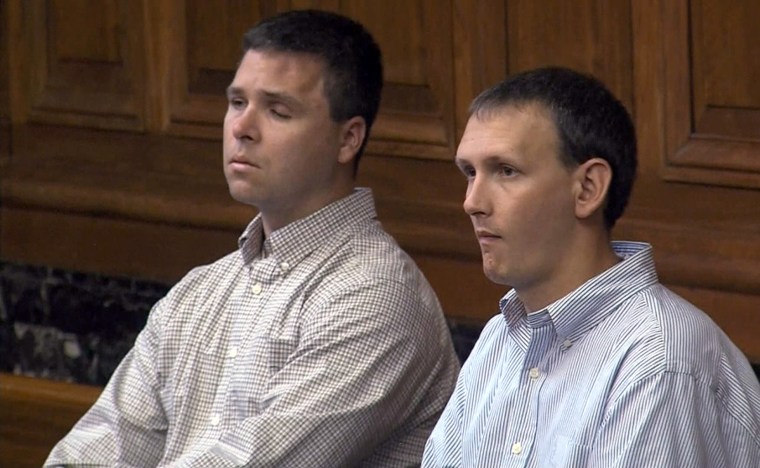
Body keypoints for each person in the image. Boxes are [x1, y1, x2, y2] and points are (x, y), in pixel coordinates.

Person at [45, 9, 459, 467]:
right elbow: (93, 453)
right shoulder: (198, 292)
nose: (242, 128)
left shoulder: (375, 295)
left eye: (277, 110)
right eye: (237, 102)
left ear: (348, 139)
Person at [422, 67, 760, 467]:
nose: (472, 202)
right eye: (470, 173)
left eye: (505, 171)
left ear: (587, 189)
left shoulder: (660, 359)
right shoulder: (501, 338)